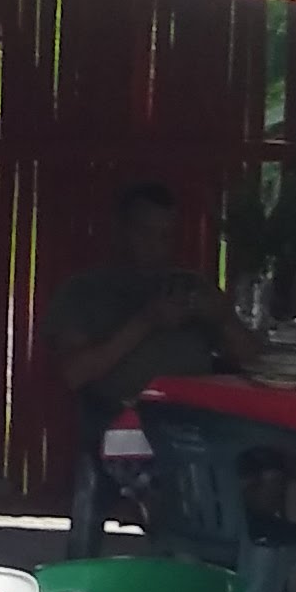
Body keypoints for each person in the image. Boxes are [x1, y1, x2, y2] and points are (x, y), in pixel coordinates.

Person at [43, 179, 253, 539]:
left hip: (202, 421)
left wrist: (220, 317)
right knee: (178, 479)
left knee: (263, 466)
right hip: (126, 424)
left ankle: (234, 559)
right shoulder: (85, 291)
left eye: (165, 236)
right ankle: (184, 555)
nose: (156, 246)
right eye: (145, 233)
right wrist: (146, 321)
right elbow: (75, 373)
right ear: (121, 231)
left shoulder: (190, 287)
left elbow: (253, 359)